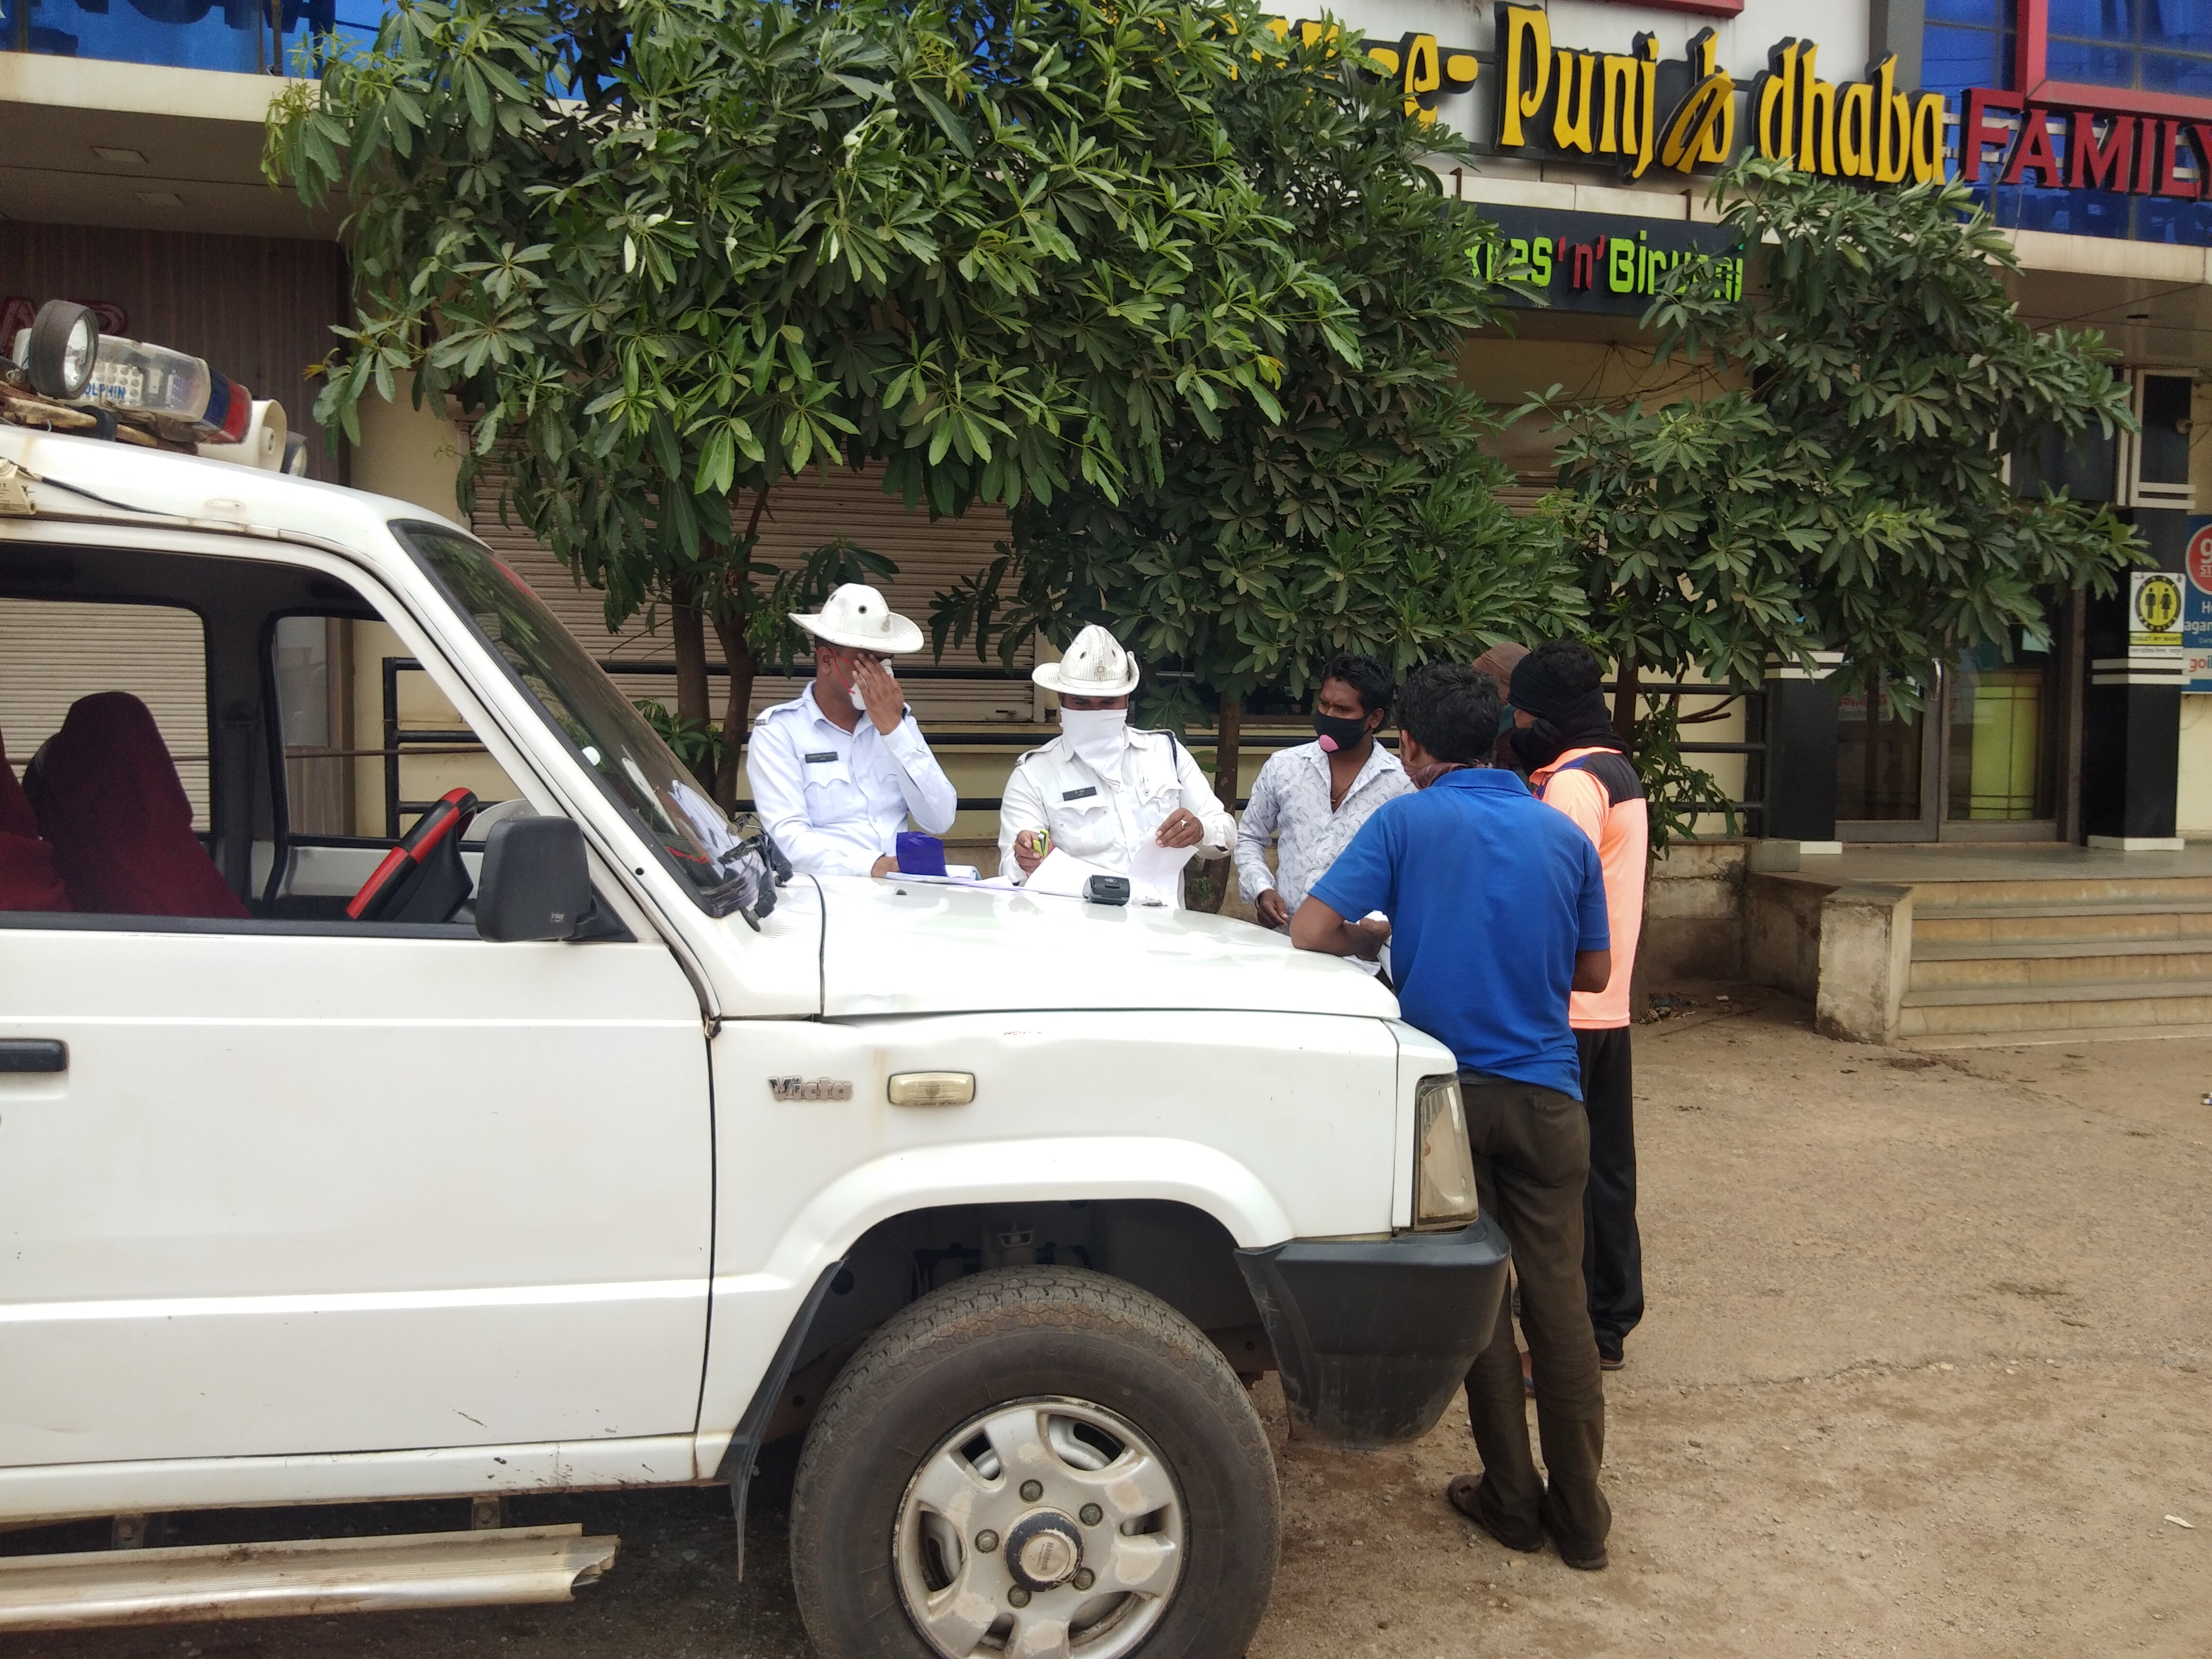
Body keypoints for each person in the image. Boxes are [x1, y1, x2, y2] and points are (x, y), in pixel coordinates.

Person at [1288, 662, 1615, 1571]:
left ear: (1412, 746)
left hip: (1451, 1101)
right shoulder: (1561, 835)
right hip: (1551, 1098)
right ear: (1501, 737)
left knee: (1483, 1302)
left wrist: (1379, 936)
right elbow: (1591, 975)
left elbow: (1309, 931)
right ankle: (1582, 1519)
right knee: (1561, 1309)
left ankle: (1510, 1498)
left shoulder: (1406, 818)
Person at [1509, 640, 1649, 1375]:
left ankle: (1583, 1335)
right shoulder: (1614, 766)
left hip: (1567, 1007)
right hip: (1609, 1002)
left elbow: (1554, 895)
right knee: (1607, 1172)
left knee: (1560, 1181)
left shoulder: (1571, 784)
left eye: (1524, 710)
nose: (1517, 722)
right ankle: (1612, 1315)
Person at [999, 625, 1232, 905]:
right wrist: (1025, 857)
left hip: (1163, 934)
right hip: (1080, 934)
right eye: (1081, 703)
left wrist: (1199, 829)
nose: (1095, 713)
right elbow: (1011, 872)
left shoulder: (1166, 753)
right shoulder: (1034, 774)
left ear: (1126, 699)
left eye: (1108, 703)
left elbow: (1226, 834)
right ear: (1061, 699)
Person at [748, 582, 956, 878]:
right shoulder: (780, 731)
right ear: (827, 661)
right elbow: (789, 841)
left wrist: (894, 732)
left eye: (885, 662)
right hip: (824, 896)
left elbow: (941, 818)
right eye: (867, 661)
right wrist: (870, 866)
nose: (880, 675)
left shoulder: (898, 722)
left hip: (900, 893)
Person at [1234, 653, 1408, 964]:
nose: (1329, 714)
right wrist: (1262, 889)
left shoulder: (1402, 785)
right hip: (1282, 948)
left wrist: (1382, 928)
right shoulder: (1284, 767)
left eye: (1343, 709)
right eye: (1324, 705)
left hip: (1361, 958)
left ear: (1374, 718)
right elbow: (1249, 837)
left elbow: (1408, 874)